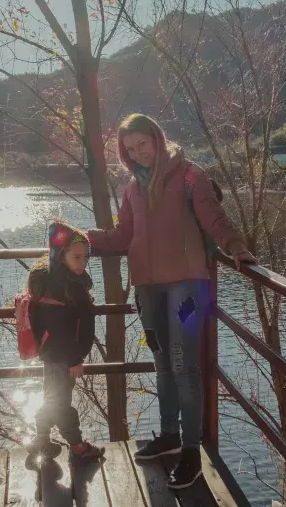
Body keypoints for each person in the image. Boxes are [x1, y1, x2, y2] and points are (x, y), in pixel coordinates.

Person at [87, 113, 255, 489]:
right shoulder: (133, 188)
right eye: (130, 149)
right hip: (148, 288)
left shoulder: (190, 175)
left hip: (187, 288)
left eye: (143, 144)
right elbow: (123, 235)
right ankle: (168, 437)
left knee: (185, 367)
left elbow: (215, 219)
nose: (138, 154)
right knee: (162, 364)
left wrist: (237, 247)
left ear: (157, 138)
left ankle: (191, 452)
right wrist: (85, 238)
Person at [25, 220, 104, 462]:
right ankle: (77, 446)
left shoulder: (54, 283)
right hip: (63, 357)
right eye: (76, 257)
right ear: (61, 256)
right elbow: (63, 329)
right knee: (61, 402)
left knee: (52, 396)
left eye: (86, 257)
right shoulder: (68, 288)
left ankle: (40, 438)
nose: (82, 263)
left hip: (52, 354)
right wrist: (75, 359)